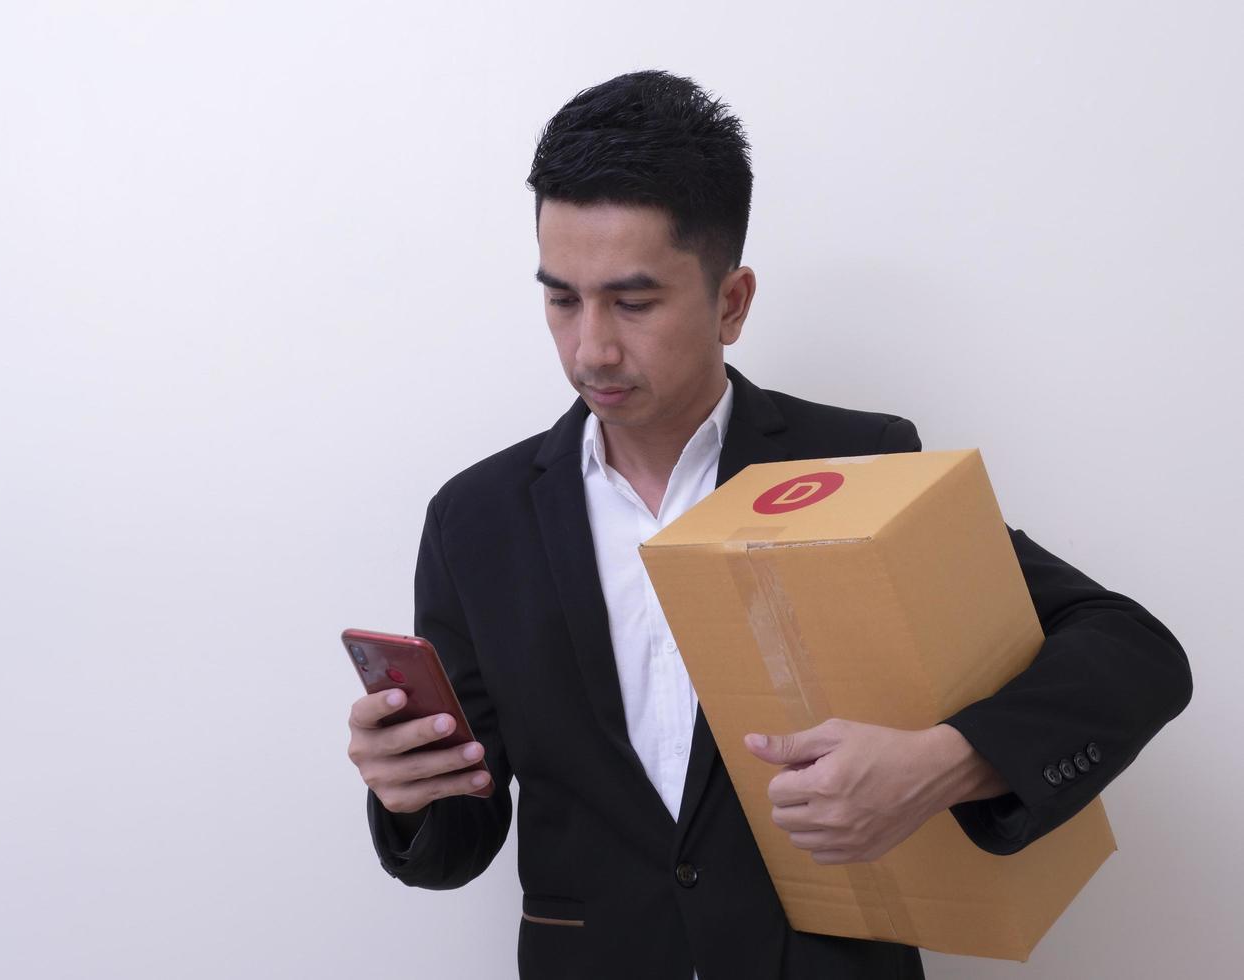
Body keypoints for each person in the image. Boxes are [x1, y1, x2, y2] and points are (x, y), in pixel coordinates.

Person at [346, 69, 1192, 979]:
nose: (589, 346)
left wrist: (944, 763)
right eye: (561, 298)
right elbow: (456, 843)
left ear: (731, 302)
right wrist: (407, 795)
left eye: (632, 302)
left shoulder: (855, 465)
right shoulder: (475, 519)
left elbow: (1132, 652)